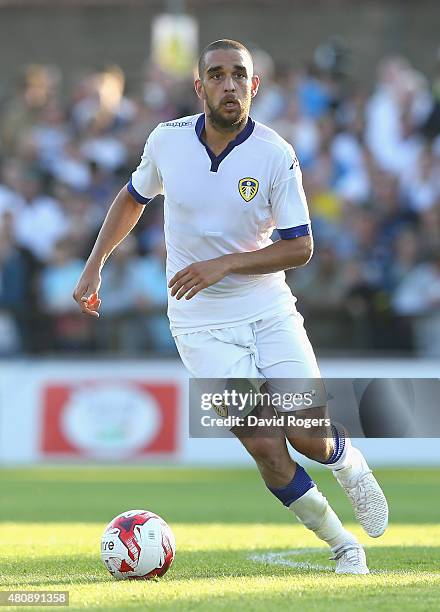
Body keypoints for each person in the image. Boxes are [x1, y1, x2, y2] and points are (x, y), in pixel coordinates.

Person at [73, 39, 388, 574]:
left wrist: (224, 265)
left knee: (308, 435)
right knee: (264, 444)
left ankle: (348, 461)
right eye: (216, 75)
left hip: (267, 310)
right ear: (199, 87)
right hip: (199, 322)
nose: (229, 85)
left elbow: (301, 246)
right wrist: (94, 262)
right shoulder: (167, 142)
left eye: (239, 75)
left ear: (254, 85)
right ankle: (342, 544)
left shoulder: (275, 153)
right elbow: (132, 197)